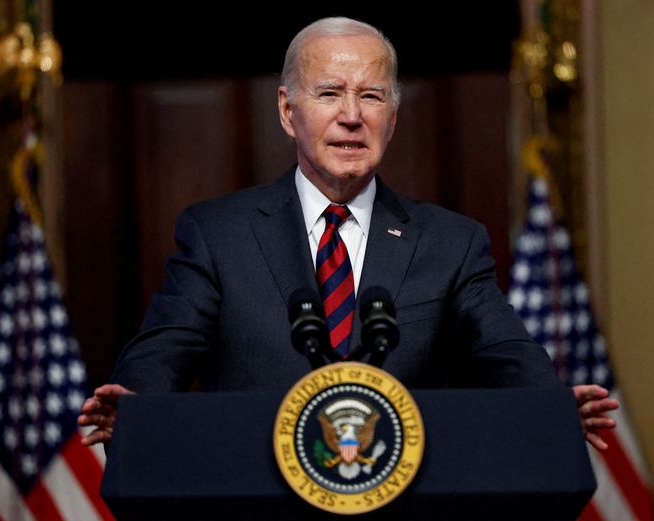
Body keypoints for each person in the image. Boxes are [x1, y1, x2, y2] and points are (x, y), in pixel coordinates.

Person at [79, 16, 617, 450]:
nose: (352, 116)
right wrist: (136, 401)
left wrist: (551, 407)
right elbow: (166, 348)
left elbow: (506, 350)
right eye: (331, 93)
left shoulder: (451, 243)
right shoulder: (218, 235)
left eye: (373, 96)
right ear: (289, 112)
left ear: (394, 117)